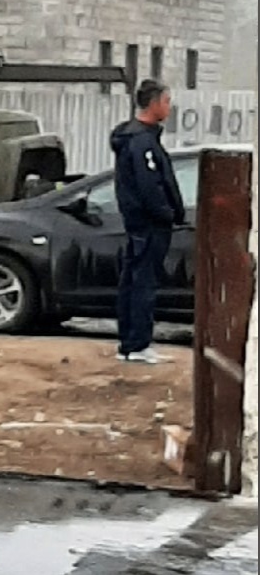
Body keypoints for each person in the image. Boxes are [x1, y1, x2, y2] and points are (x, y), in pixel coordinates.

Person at [110, 79, 185, 365]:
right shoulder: (141, 142)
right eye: (166, 101)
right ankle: (137, 343)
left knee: (134, 280)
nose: (169, 106)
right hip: (149, 225)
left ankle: (130, 343)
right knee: (143, 283)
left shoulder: (140, 138)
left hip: (142, 224)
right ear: (154, 104)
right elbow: (150, 186)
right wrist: (167, 214)